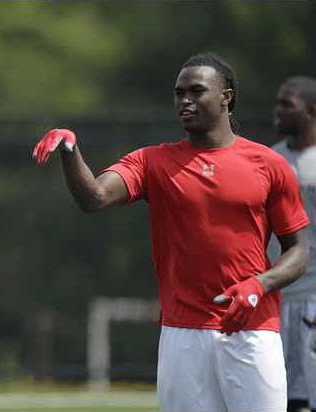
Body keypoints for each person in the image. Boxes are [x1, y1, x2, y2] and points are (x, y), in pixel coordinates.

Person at [33, 52, 310, 412]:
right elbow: (95, 197)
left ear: (226, 96)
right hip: (183, 334)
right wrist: (70, 150)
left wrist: (259, 286)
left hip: (252, 330)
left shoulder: (269, 164)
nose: (185, 101)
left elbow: (299, 252)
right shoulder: (152, 162)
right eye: (179, 93)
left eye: (196, 91)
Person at [268, 76, 316, 412]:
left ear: (311, 110)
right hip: (275, 296)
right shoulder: (269, 159)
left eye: (288, 104)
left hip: (314, 299)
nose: (278, 111)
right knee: (275, 397)